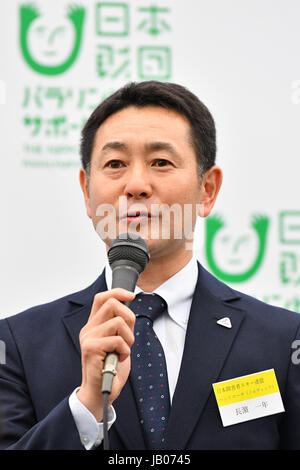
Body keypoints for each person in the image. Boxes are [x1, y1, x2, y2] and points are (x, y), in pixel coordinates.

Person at [0, 81, 300, 450]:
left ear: (207, 189)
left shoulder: (283, 340)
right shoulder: (17, 345)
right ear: (87, 193)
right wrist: (87, 405)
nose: (137, 185)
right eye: (115, 164)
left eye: (161, 162)